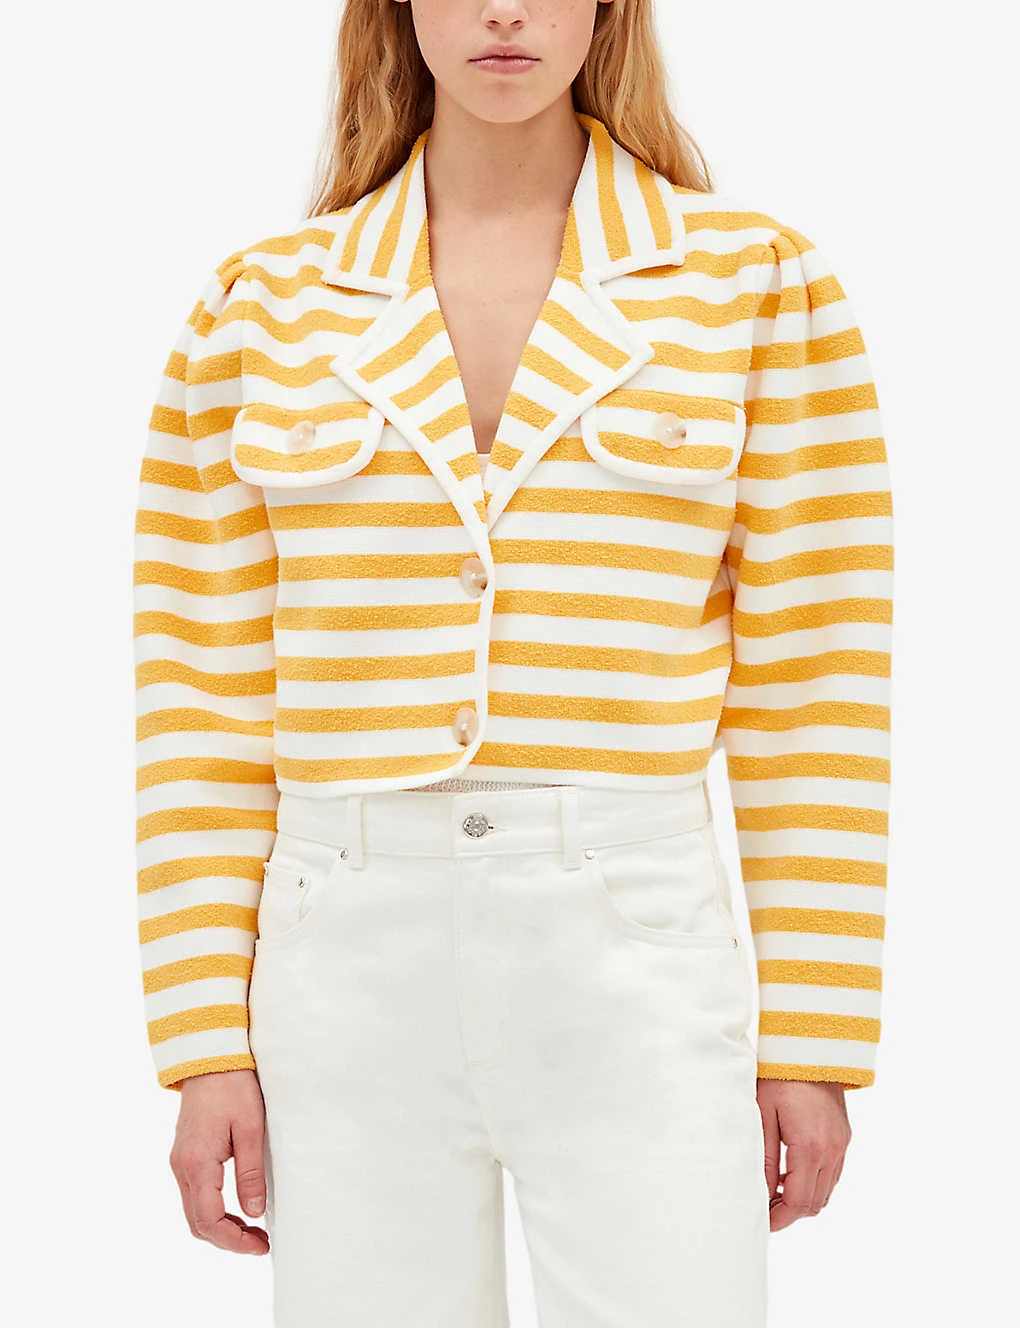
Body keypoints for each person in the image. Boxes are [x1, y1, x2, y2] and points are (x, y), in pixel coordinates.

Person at [132, 2, 894, 1324]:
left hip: (635, 946)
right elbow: (201, 696)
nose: (503, 12)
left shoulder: (755, 285)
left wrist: (815, 1037)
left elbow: (815, 683)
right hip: (340, 954)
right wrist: (203, 1043)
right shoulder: (260, 309)